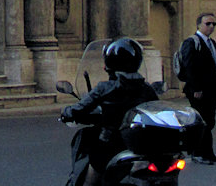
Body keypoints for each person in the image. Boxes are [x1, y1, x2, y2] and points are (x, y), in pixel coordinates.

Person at [60, 37, 160, 186]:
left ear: (109, 64)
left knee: (89, 181)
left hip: (110, 143)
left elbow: (79, 109)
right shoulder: (147, 89)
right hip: (139, 144)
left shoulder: (105, 88)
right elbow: (156, 110)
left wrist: (66, 112)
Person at [176, 11, 216, 163]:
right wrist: (196, 88)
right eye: (208, 23)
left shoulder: (211, 43)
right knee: (200, 122)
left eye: (213, 24)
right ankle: (197, 153)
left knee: (209, 122)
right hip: (198, 91)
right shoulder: (192, 42)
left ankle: (208, 153)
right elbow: (189, 66)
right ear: (199, 25)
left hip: (211, 90)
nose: (211, 26)